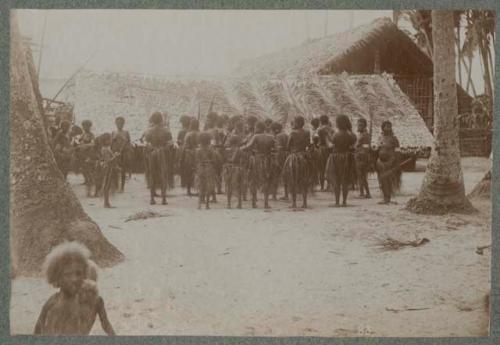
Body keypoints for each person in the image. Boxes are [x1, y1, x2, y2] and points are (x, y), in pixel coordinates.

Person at [34, 242, 115, 335]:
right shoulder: (52, 303)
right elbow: (37, 330)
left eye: (79, 273)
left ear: (85, 274)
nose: (74, 279)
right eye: (67, 274)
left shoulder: (94, 301)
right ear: (56, 277)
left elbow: (106, 325)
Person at [241, 121, 276, 209]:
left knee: (254, 180)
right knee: (266, 181)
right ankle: (266, 203)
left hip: (257, 160)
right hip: (267, 161)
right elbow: (275, 148)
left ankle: (253, 203)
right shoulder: (271, 137)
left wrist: (240, 148)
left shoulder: (256, 136)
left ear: (259, 128)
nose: (255, 129)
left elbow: (248, 147)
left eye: (256, 127)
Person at [326, 115, 356, 207]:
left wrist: (327, 137)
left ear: (338, 123)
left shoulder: (336, 134)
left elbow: (332, 145)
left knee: (336, 181)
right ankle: (344, 202)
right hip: (347, 158)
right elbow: (353, 144)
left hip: (336, 159)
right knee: (345, 181)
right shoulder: (351, 134)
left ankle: (337, 202)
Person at [283, 116, 311, 209]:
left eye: (294, 122)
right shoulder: (307, 132)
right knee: (304, 180)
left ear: (298, 123)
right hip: (304, 157)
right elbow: (308, 144)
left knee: (292, 179)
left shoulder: (293, 133)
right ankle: (304, 203)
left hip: (294, 158)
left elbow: (288, 146)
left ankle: (294, 203)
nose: (293, 124)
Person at [144, 112, 171, 205]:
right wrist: (163, 149)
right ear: (161, 120)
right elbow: (169, 143)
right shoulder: (166, 130)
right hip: (162, 153)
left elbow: (147, 144)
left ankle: (152, 199)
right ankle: (163, 199)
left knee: (152, 175)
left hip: (152, 154)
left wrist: (152, 149)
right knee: (163, 175)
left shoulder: (149, 131)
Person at [375, 120, 401, 204]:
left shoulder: (394, 139)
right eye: (386, 126)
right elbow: (378, 149)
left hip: (390, 162)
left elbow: (397, 151)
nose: (388, 128)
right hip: (380, 163)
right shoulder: (380, 138)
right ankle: (384, 197)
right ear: (382, 128)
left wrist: (394, 161)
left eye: (389, 126)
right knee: (381, 180)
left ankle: (388, 198)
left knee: (388, 180)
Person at [195, 132, 218, 209]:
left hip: (200, 168)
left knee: (201, 186)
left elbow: (196, 160)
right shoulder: (211, 150)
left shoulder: (198, 150)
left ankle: (199, 204)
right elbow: (214, 160)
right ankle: (207, 205)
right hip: (209, 168)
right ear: (208, 140)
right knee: (208, 186)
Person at [222, 135, 245, 209]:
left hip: (228, 169)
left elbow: (225, 159)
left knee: (228, 186)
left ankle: (229, 204)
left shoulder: (227, 150)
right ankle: (239, 204)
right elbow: (243, 161)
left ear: (230, 142)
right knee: (239, 186)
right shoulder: (240, 150)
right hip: (238, 169)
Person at [111, 116, 132, 192]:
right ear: (116, 124)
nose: (119, 125)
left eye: (121, 123)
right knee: (114, 169)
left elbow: (129, 143)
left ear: (123, 124)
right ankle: (116, 186)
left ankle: (122, 187)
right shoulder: (113, 132)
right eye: (118, 123)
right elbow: (111, 143)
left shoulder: (126, 132)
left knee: (123, 170)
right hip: (115, 153)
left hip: (123, 153)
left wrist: (127, 152)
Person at [99, 133, 120, 208]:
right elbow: (108, 160)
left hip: (108, 168)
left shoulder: (106, 148)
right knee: (107, 185)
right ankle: (106, 202)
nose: (111, 140)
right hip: (107, 168)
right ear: (105, 141)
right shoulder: (105, 149)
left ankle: (107, 202)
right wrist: (115, 156)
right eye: (109, 139)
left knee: (107, 185)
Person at [76, 120, 96, 197]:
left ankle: (91, 189)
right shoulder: (83, 134)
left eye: (87, 126)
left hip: (89, 154)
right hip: (82, 154)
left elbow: (93, 144)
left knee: (89, 171)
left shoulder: (91, 135)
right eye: (84, 126)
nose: (85, 128)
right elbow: (78, 141)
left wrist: (85, 145)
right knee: (84, 170)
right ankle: (87, 186)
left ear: (89, 127)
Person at [271, 121, 289, 201]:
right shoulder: (286, 135)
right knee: (286, 176)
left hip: (279, 156)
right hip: (287, 156)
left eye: (272, 130)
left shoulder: (278, 136)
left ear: (276, 129)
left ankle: (274, 195)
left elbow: (278, 148)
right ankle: (286, 195)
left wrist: (272, 150)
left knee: (275, 175)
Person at [355, 118, 372, 199]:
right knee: (360, 176)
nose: (359, 126)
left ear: (364, 126)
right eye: (358, 125)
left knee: (362, 175)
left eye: (361, 125)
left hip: (362, 158)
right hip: (359, 156)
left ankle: (365, 193)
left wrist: (359, 150)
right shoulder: (360, 134)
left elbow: (367, 147)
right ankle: (364, 193)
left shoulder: (365, 135)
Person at [182, 119, 200, 196]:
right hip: (199, 154)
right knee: (198, 172)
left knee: (189, 173)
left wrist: (181, 157)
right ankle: (199, 189)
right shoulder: (200, 134)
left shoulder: (188, 134)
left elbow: (185, 146)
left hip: (189, 155)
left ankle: (188, 190)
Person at [317, 115, 334, 191]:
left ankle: (322, 187)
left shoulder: (320, 130)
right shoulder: (332, 129)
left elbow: (319, 141)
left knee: (321, 168)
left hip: (322, 149)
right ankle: (329, 185)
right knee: (330, 167)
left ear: (320, 121)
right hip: (330, 150)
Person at [177, 115, 192, 188]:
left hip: (182, 150)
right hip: (190, 150)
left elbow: (178, 142)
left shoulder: (181, 131)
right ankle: (189, 183)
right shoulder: (190, 131)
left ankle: (183, 183)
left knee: (183, 166)